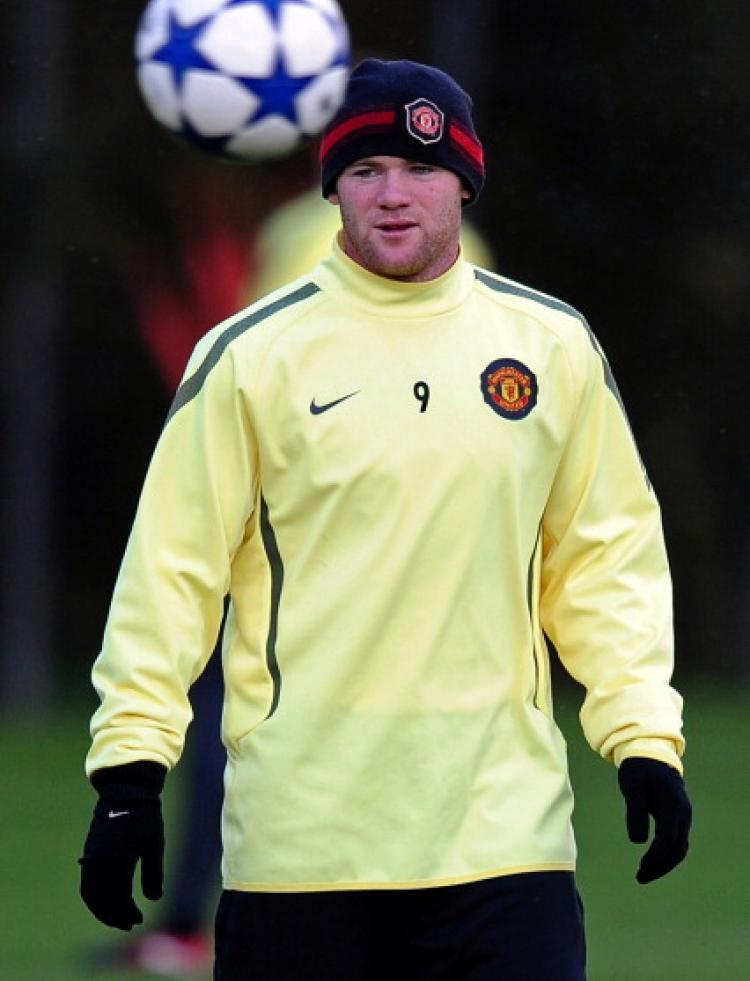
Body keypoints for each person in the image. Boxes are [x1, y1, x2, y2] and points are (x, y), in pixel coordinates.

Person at [79, 58, 692, 980]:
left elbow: (606, 561)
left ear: (466, 183)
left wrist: (641, 734)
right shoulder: (249, 357)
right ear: (333, 191)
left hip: (504, 848)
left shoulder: (552, 346)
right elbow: (170, 573)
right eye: (366, 171)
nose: (394, 193)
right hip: (302, 853)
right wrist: (130, 771)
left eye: (422, 167)